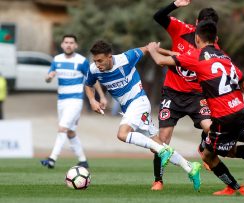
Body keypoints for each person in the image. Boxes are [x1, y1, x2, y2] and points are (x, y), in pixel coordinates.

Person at [147, 20, 244, 195]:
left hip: (224, 117)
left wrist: (151, 49)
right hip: (240, 111)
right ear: (216, 38)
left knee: (208, 156)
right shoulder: (225, 58)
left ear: (197, 38)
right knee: (228, 150)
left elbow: (160, 61)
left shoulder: (197, 56)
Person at [85, 40, 202, 191]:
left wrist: (170, 54)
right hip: (130, 109)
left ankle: (162, 152)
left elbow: (149, 48)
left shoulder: (127, 58)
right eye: (95, 61)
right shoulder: (94, 69)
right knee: (157, 144)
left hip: (139, 102)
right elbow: (88, 84)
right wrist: (92, 100)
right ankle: (190, 167)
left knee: (122, 134)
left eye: (100, 60)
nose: (97, 64)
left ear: (109, 56)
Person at [150, 0, 219, 190]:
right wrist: (174, 4)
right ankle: (158, 180)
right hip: (172, 93)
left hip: (197, 96)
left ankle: (204, 148)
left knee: (212, 129)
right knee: (162, 139)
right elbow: (157, 17)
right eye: (202, 24)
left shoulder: (213, 44)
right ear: (196, 22)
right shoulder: (180, 29)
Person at [40, 34, 102, 169]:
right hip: (61, 101)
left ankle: (52, 158)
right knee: (70, 132)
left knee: (62, 128)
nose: (68, 45)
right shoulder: (56, 60)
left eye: (71, 42)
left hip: (75, 101)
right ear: (62, 45)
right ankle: (83, 160)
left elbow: (93, 80)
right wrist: (49, 77)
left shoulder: (81, 61)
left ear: (76, 45)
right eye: (66, 42)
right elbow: (47, 77)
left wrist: (101, 97)